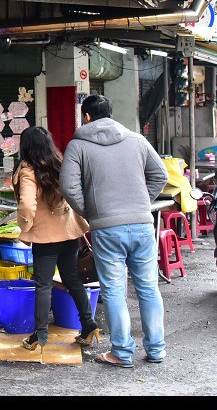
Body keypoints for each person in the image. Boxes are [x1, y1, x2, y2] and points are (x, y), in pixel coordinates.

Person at [60, 94, 168, 368]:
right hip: (143, 224)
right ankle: (156, 349)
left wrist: (92, 212)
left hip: (107, 228)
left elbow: (69, 187)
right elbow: (161, 175)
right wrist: (143, 202)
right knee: (148, 288)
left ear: (86, 117)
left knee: (114, 290)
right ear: (110, 114)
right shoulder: (137, 139)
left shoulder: (78, 145)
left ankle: (121, 353)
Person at [13, 126, 98, 351]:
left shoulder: (28, 169)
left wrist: (24, 226)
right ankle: (89, 325)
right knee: (72, 279)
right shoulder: (60, 164)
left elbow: (27, 204)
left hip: (45, 237)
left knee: (43, 285)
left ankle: (39, 336)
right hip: (69, 233)